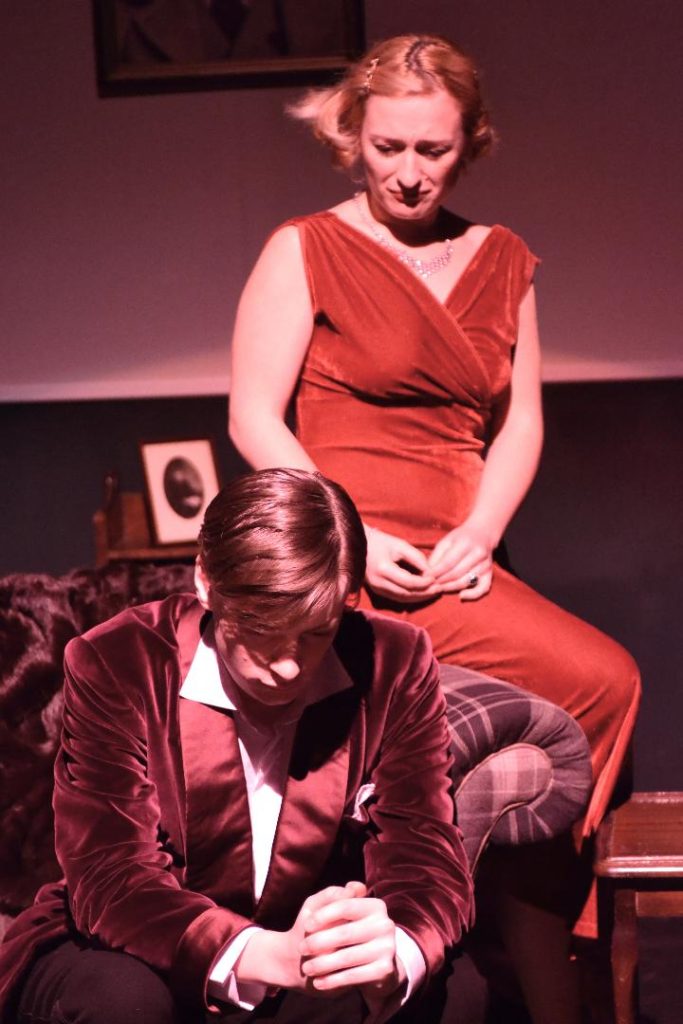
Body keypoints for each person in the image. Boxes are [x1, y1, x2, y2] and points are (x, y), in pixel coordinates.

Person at [227, 33, 641, 1023]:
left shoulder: (503, 259)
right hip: (346, 552)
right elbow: (251, 416)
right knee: (567, 688)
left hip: (456, 558)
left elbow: (520, 423)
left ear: (470, 144)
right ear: (351, 140)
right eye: (387, 148)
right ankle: (503, 949)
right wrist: (350, 531)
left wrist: (482, 530)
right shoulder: (303, 247)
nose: (408, 173)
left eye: (432, 150)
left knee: (603, 681)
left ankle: (541, 931)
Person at [0, 468, 472, 1024]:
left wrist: (393, 951)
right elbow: (110, 872)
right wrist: (264, 955)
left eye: (316, 633)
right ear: (205, 581)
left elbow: (423, 848)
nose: (290, 666)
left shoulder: (394, 662)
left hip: (298, 943)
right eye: (263, 630)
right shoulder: (119, 660)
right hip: (132, 940)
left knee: (446, 992)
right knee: (124, 1000)